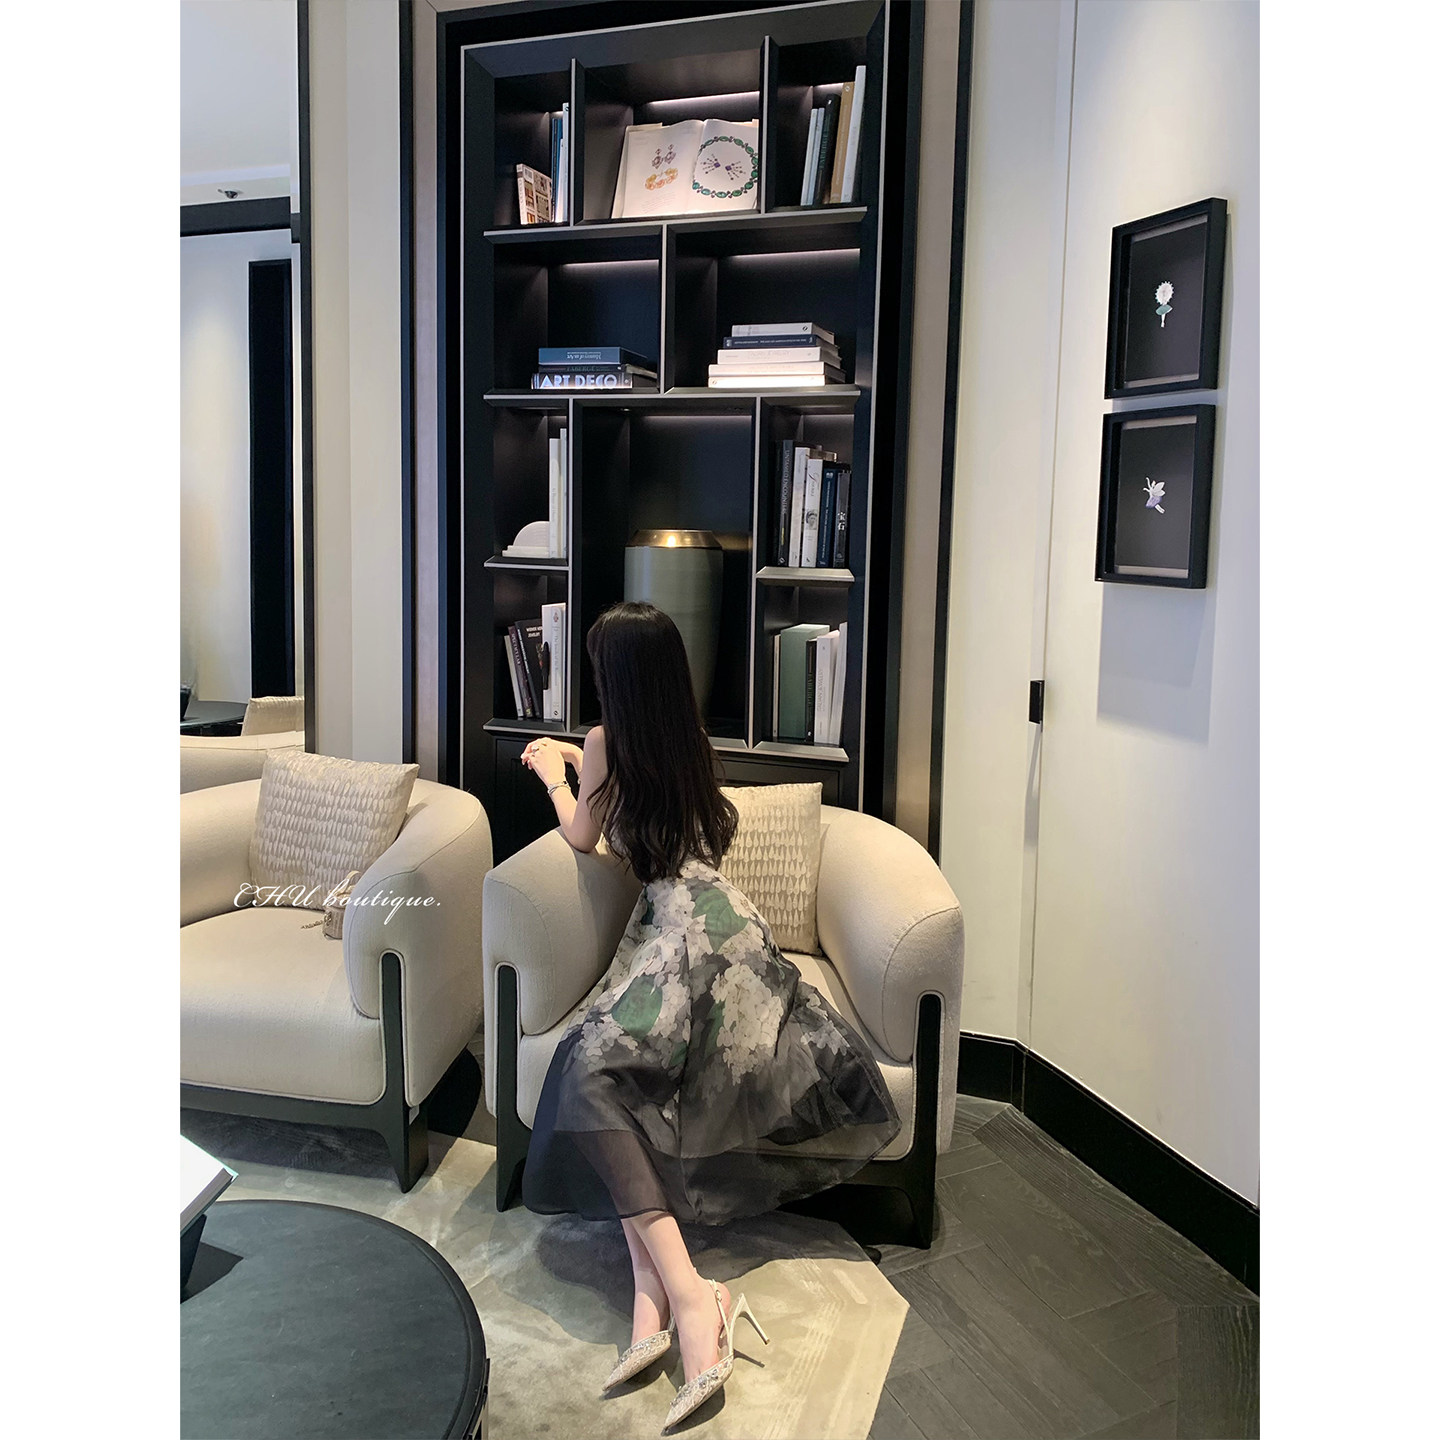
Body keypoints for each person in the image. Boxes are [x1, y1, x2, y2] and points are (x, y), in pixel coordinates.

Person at [520, 601, 899, 1431]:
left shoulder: (604, 744)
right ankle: (652, 1297)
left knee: (590, 1071)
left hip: (676, 936)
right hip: (730, 925)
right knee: (611, 1079)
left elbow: (582, 837)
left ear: (616, 680)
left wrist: (552, 771)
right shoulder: (686, 740)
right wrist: (581, 762)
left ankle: (696, 1298)